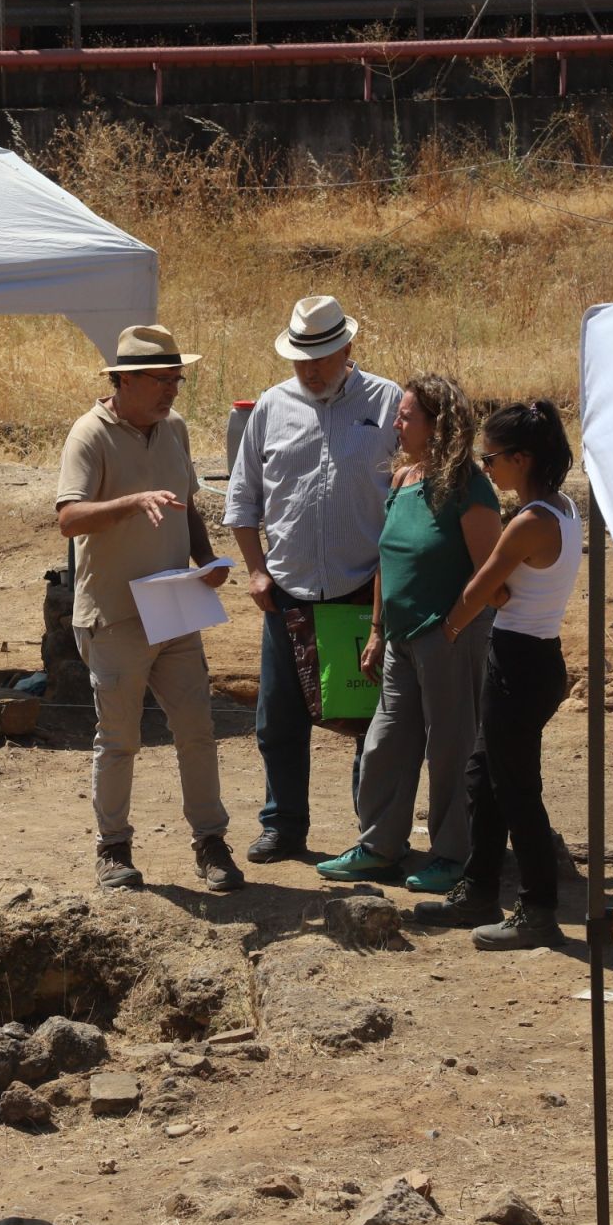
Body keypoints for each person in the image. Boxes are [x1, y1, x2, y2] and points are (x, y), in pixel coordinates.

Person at [56, 324, 243, 894]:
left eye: (176, 381)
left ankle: (210, 842)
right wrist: (131, 503)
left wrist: (207, 559)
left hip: (175, 604)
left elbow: (186, 503)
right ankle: (113, 849)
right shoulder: (89, 434)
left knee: (197, 730)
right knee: (119, 738)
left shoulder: (175, 429)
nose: (171, 392)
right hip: (114, 613)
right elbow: (68, 518)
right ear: (124, 381)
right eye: (161, 381)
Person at [222, 295, 402, 865]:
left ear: (348, 348)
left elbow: (414, 485)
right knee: (278, 718)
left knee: (368, 721)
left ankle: (371, 835)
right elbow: (243, 496)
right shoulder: (272, 407)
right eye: (303, 359)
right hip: (288, 589)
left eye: (323, 356)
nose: (313, 369)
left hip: (362, 589)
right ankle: (283, 825)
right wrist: (254, 569)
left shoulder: (388, 401)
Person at [317, 373, 502, 892]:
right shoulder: (404, 479)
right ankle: (379, 846)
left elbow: (490, 571)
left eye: (406, 416)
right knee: (385, 743)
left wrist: (454, 626)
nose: (395, 423)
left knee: (452, 748)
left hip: (451, 637)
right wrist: (377, 629)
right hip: (401, 637)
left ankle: (453, 854)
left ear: (437, 424)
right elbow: (388, 559)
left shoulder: (470, 487)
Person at [412, 401, 581, 949]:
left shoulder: (531, 522)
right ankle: (479, 888)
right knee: (484, 778)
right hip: (532, 657)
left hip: (519, 662)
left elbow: (479, 590)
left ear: (522, 457)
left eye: (492, 458)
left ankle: (537, 909)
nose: (487, 468)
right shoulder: (560, 509)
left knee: (515, 789)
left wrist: (449, 630)